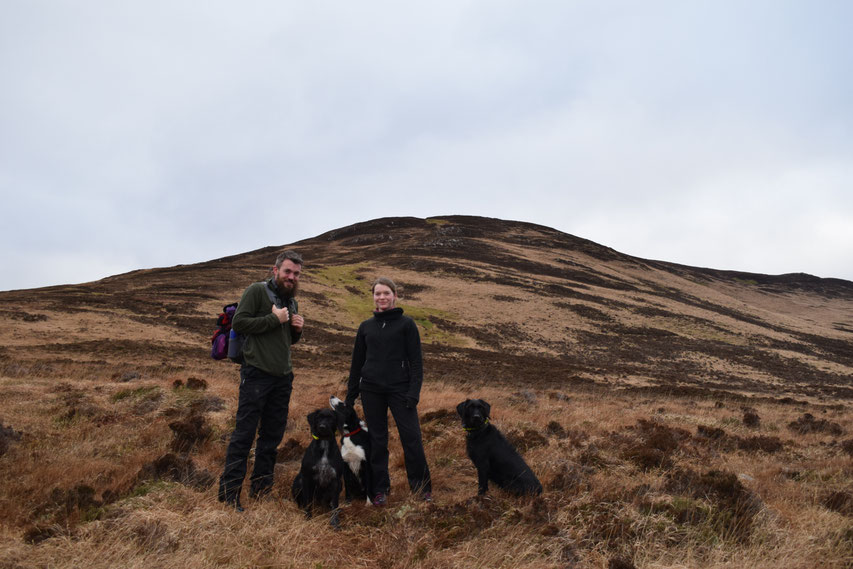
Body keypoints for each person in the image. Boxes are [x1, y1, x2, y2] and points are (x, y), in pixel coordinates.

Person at [217, 250, 305, 511]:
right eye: (288, 271)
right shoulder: (256, 291)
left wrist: (296, 330)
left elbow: (287, 340)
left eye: (296, 274)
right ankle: (229, 493)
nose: (291, 277)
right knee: (244, 434)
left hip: (282, 378)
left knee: (271, 436)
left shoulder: (291, 301)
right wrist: (272, 318)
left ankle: (261, 489)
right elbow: (240, 323)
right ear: (275, 270)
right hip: (256, 373)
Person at [345, 277, 432, 505]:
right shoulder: (366, 327)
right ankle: (380, 489)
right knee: (377, 441)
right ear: (373, 297)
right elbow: (357, 363)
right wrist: (351, 394)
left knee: (411, 438)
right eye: (377, 293)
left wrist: (414, 392)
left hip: (400, 390)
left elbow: (416, 362)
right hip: (371, 390)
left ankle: (421, 488)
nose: (381, 297)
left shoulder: (407, 324)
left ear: (394, 296)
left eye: (386, 293)